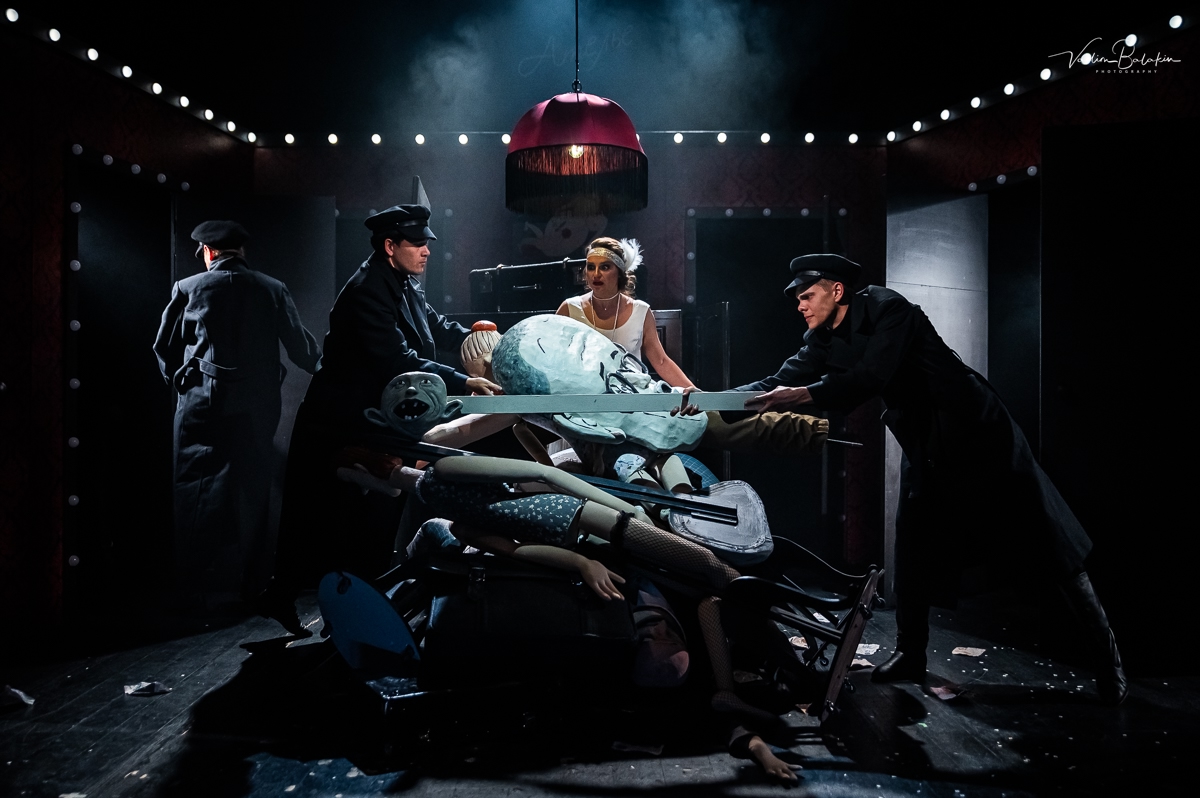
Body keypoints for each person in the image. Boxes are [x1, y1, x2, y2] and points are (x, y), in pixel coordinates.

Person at [721, 253, 1126, 704]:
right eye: (797, 297)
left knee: (1047, 538)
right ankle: (910, 654)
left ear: (837, 290)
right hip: (927, 443)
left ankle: (1108, 661)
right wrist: (707, 402)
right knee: (912, 543)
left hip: (977, 433)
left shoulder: (889, 310)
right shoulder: (822, 338)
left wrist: (798, 396)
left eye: (807, 295)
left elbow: (870, 377)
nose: (800, 304)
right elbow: (776, 381)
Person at [259, 189, 502, 634]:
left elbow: (436, 326)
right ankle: (317, 607)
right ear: (391, 246)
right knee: (323, 520)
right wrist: (463, 380)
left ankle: (349, 612)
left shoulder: (402, 282)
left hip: (374, 419)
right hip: (339, 423)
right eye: (417, 243)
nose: (427, 250)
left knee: (359, 522)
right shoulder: (366, 291)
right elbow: (397, 358)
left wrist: (480, 335)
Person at [153, 220, 321, 609]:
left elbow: (164, 348)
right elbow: (303, 351)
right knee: (252, 489)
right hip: (258, 406)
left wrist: (180, 383)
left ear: (208, 252)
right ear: (241, 251)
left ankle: (196, 589)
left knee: (193, 488)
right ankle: (253, 585)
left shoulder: (187, 288)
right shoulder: (272, 288)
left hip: (200, 404)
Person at [556, 237, 695, 388]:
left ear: (620, 272)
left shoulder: (641, 311)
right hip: (585, 393)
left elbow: (661, 361)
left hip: (632, 391)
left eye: (605, 267)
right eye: (590, 267)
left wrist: (695, 393)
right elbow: (552, 357)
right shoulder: (569, 308)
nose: (596, 274)